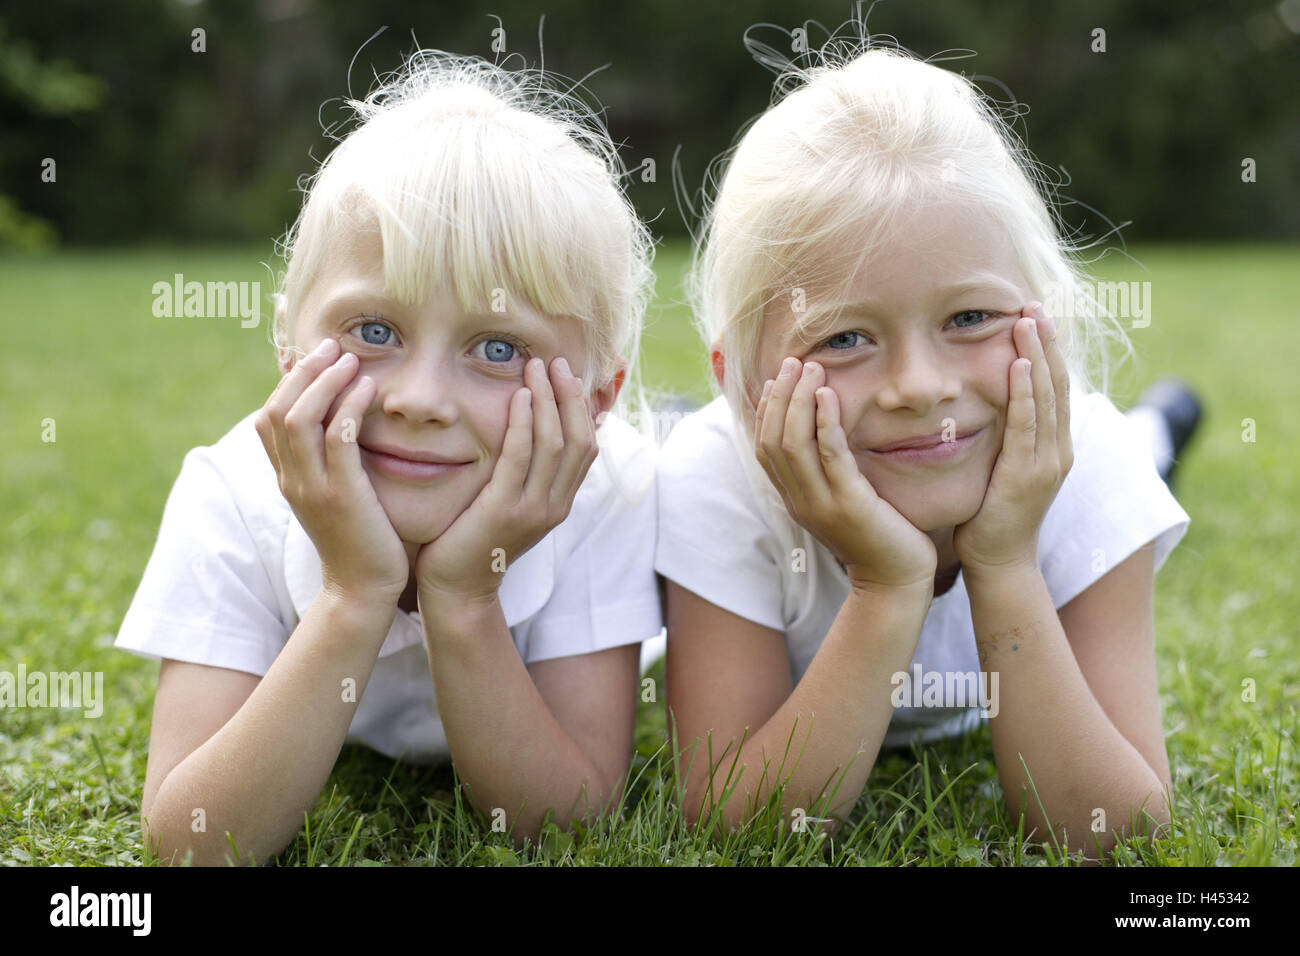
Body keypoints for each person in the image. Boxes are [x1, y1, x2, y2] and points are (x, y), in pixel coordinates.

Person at [115, 50, 661, 865]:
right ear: (285, 345)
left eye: (499, 347)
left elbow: (568, 827)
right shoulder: (230, 495)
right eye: (375, 332)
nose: (419, 398)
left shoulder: (609, 490)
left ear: (595, 400)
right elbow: (193, 846)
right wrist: (352, 591)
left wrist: (466, 597)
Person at [655, 39, 1194, 860]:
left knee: (1139, 446)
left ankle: (1167, 418)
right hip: (739, 439)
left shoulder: (1093, 459)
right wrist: (886, 586)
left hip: (1093, 441)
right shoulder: (712, 479)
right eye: (843, 337)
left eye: (969, 319)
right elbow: (736, 825)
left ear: (1047, 314)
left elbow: (1114, 833)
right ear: (743, 382)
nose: (919, 386)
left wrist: (1008, 564)